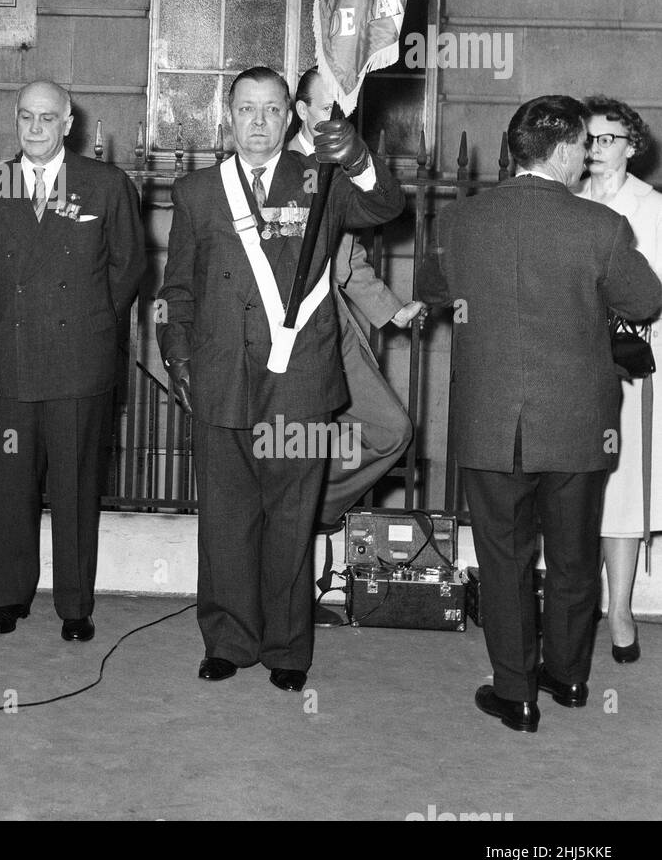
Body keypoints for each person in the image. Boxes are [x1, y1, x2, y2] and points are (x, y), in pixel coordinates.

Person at [419, 96, 661, 733]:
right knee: (575, 555)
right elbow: (647, 299)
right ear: (559, 151)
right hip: (580, 421)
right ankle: (571, 679)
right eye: (584, 144)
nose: (588, 155)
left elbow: (435, 290)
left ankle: (516, 693)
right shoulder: (600, 227)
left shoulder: (460, 221)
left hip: (489, 420)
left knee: (504, 560)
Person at [158, 66, 403, 690]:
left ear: (290, 117)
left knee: (291, 517)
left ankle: (288, 650)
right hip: (220, 379)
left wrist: (358, 157)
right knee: (224, 519)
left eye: (271, 110)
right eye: (247, 109)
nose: (259, 122)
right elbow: (179, 287)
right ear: (229, 115)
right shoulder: (196, 192)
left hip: (297, 380)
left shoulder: (320, 180)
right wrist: (176, 352)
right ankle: (227, 640)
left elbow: (384, 204)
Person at [0, 80, 144, 642]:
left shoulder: (106, 184)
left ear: (70, 123)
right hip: (18, 356)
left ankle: (74, 606)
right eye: (26, 117)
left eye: (48, 118)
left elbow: (128, 268)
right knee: (11, 485)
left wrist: (89, 320)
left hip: (79, 358)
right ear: (15, 121)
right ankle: (6, 599)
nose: (36, 128)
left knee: (74, 485)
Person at [290, 67, 422, 622]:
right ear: (300, 112)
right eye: (326, 109)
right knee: (289, 443)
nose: (336, 121)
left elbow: (349, 260)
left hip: (334, 324)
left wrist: (391, 310)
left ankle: (305, 511)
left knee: (390, 430)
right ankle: (288, 538)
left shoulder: (344, 165)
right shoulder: (277, 165)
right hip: (281, 331)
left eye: (344, 111)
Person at [576, 95, 662, 665]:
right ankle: (572, 611)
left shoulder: (652, 209)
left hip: (631, 364)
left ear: (633, 146)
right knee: (571, 484)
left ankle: (622, 609)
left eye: (609, 139)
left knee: (624, 488)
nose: (597, 149)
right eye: (589, 139)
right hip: (571, 363)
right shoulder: (565, 201)